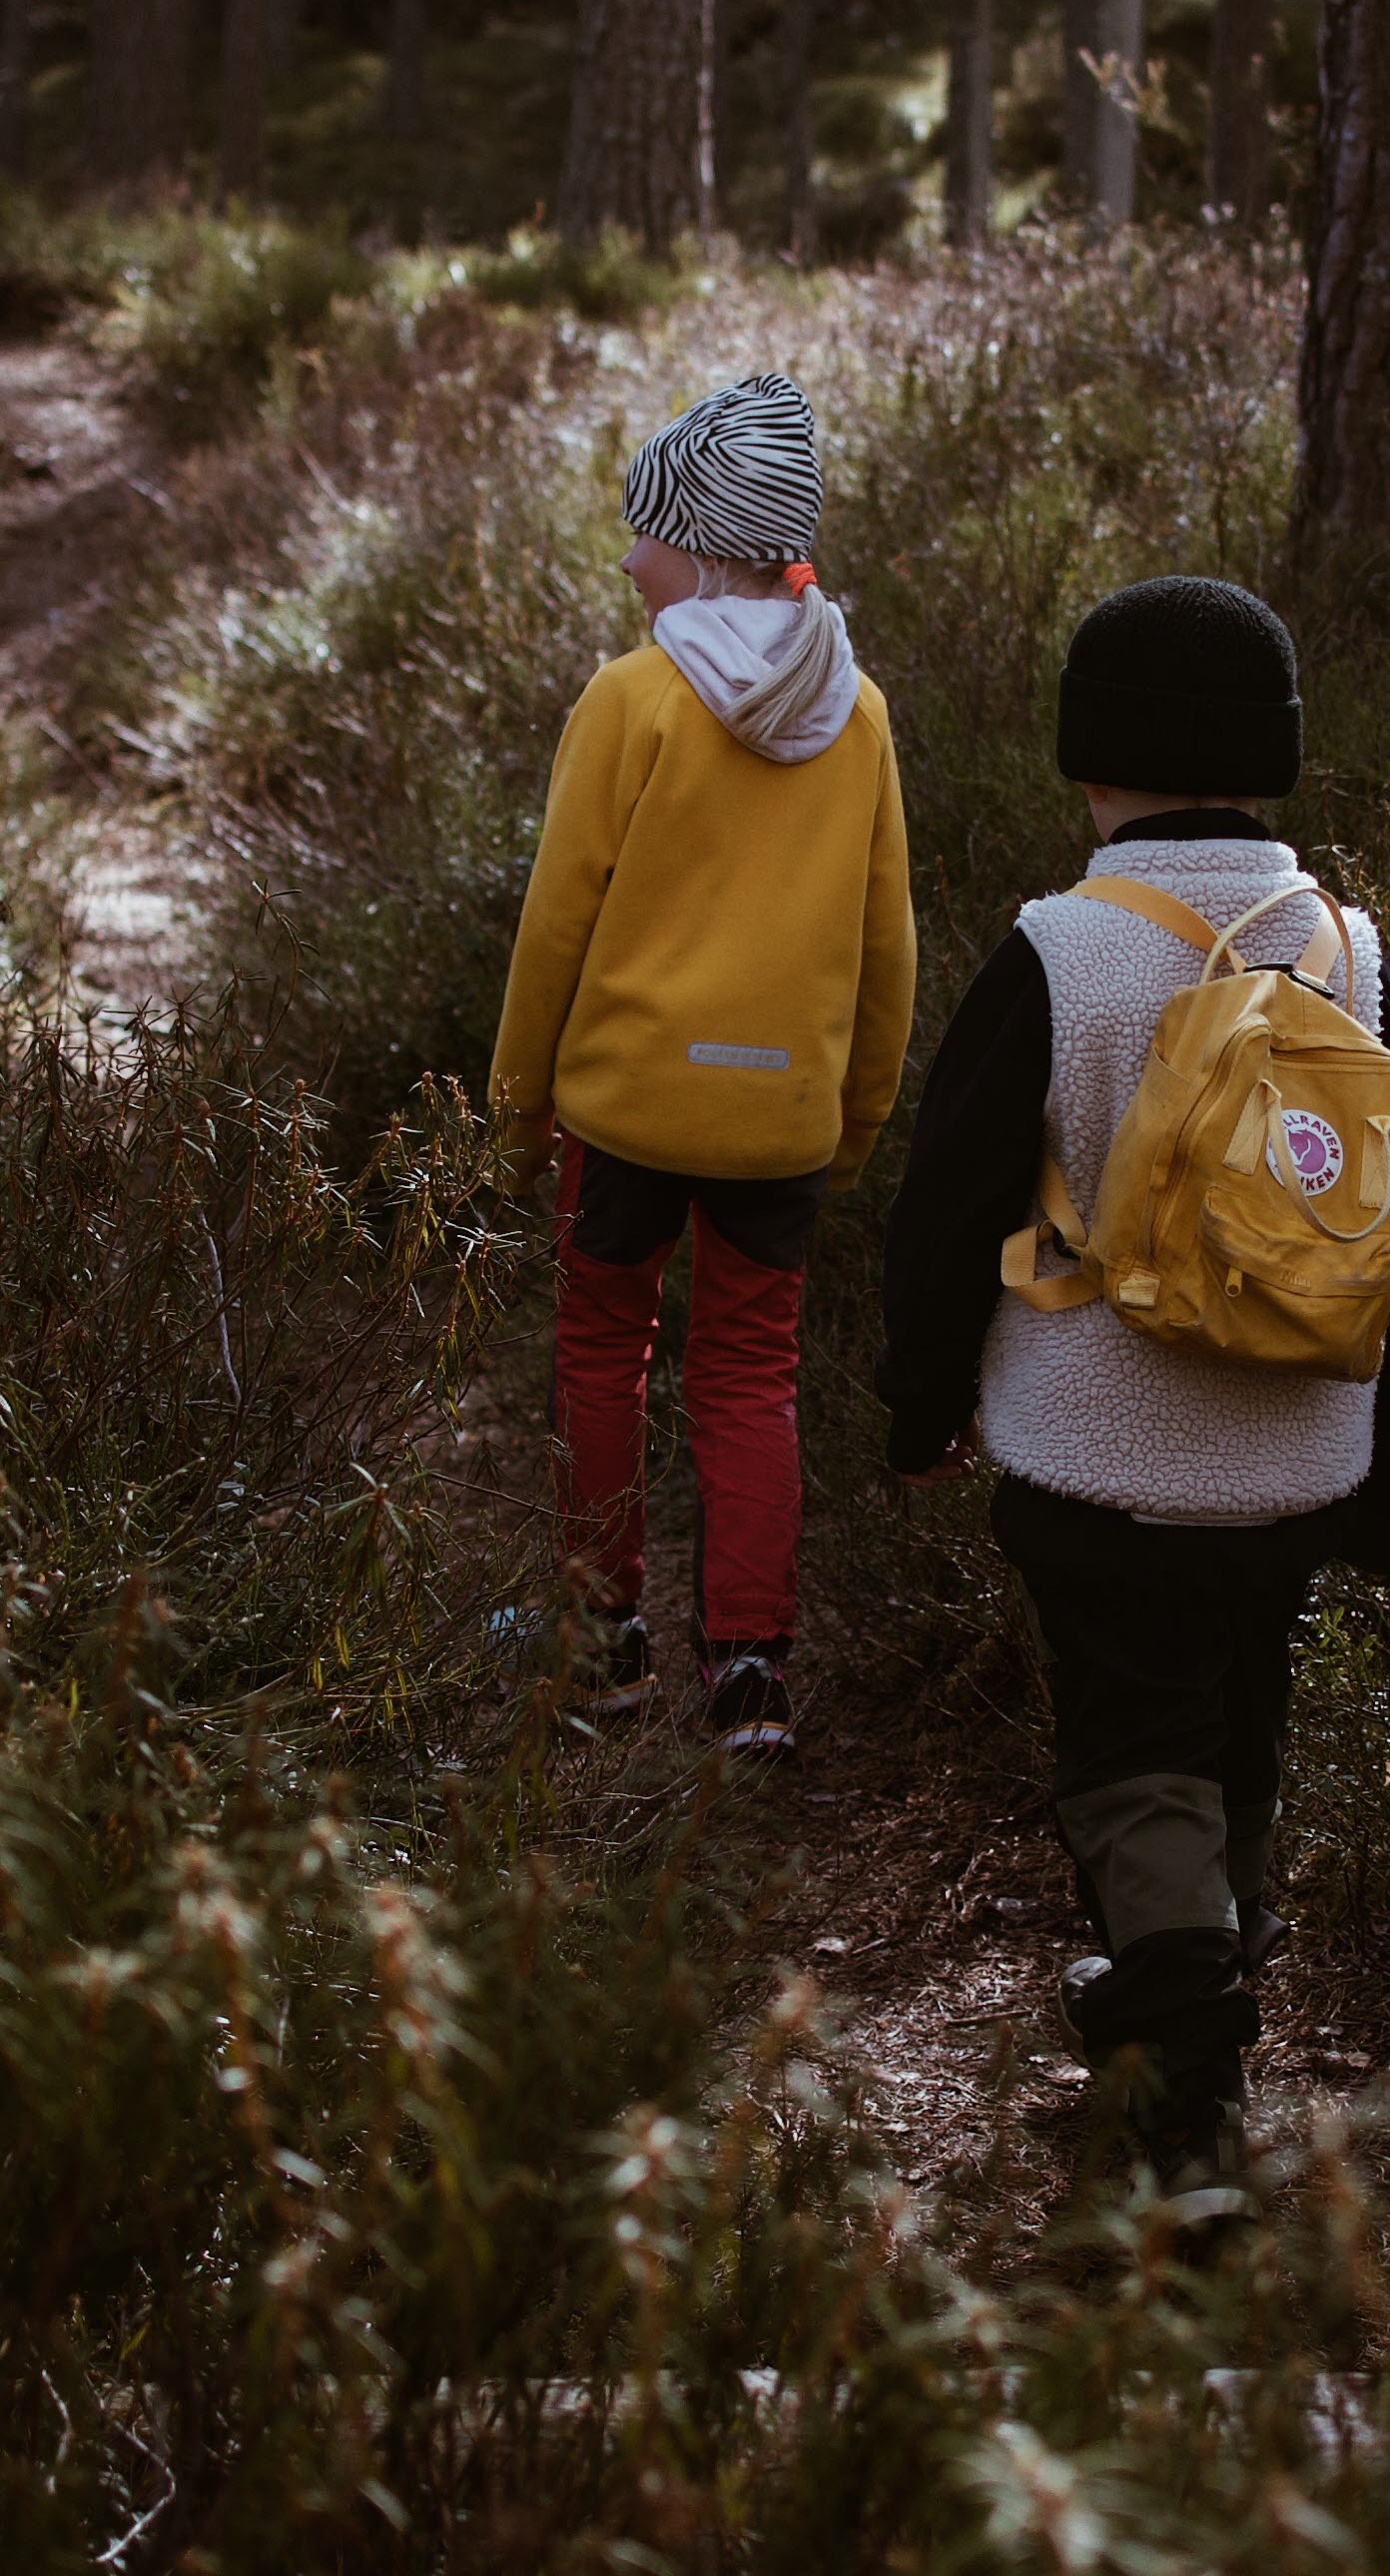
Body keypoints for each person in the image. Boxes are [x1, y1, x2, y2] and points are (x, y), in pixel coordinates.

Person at [876, 575, 1390, 2203]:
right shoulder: (1348, 947)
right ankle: (1181, 1980)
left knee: (1134, 1752)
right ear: (1269, 761)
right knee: (1240, 1729)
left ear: (1090, 764)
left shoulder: (1063, 951)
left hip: (1104, 1461)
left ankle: (1188, 2105)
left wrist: (919, 1413)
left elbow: (947, 1216)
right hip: (1300, 1450)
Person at [491, 373, 915, 1758]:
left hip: (625, 1105)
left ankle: (602, 1650)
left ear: (708, 543)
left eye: (646, 532)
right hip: (781, 1114)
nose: (627, 559)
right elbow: (885, 941)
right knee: (751, 1374)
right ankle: (749, 1668)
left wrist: (515, 1106)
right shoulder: (858, 715)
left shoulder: (632, 699)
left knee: (603, 1353)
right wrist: (853, 1116)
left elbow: (557, 921)